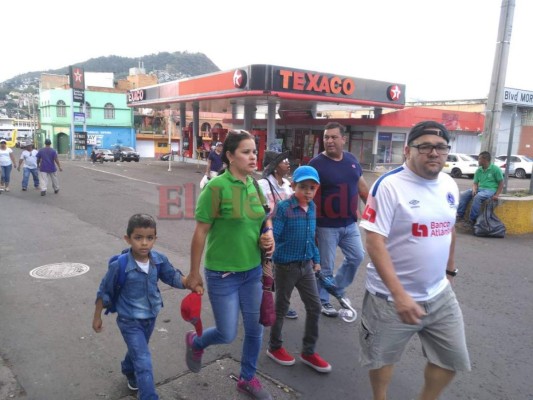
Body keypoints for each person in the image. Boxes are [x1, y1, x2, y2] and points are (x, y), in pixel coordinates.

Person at [359, 121, 471, 400]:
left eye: (441, 147)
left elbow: (449, 228)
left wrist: (449, 271)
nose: (434, 152)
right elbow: (374, 241)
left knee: (451, 359)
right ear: (408, 150)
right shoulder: (389, 186)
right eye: (425, 147)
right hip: (389, 298)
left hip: (439, 294)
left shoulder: (448, 183)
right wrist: (399, 295)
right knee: (382, 359)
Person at [185, 130, 275, 400]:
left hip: (253, 272)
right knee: (226, 332)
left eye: (254, 152)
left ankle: (247, 378)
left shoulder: (255, 185)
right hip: (223, 274)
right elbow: (200, 232)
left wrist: (268, 234)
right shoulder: (216, 187)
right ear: (229, 156)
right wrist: (193, 273)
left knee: (255, 328)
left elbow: (264, 218)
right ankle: (196, 342)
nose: (252, 157)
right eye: (246, 152)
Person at [93, 213, 195, 400]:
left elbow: (172, 276)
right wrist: (97, 316)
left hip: (150, 316)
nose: (144, 243)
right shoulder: (119, 265)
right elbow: (104, 291)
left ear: (155, 239)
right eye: (138, 238)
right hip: (129, 320)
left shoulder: (159, 260)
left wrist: (190, 282)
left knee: (138, 351)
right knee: (143, 360)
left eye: (149, 238)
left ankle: (127, 368)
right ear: (128, 239)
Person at [266, 165, 331, 373]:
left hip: (306, 267)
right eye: (303, 187)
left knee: (315, 307)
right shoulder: (284, 208)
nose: (308, 192)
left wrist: (316, 259)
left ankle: (308, 351)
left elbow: (311, 237)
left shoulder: (312, 208)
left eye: (312, 188)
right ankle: (274, 347)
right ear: (293, 186)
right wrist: (268, 261)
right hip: (285, 267)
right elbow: (273, 235)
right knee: (281, 308)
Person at [308, 121, 369, 317]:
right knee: (325, 266)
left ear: (344, 139)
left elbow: (362, 189)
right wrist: (310, 226)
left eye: (334, 137)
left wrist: (374, 211)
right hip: (325, 226)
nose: (329, 141)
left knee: (357, 256)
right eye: (326, 137)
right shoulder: (316, 164)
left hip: (350, 224)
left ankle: (337, 289)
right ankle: (323, 301)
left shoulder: (351, 160)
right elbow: (306, 195)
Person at [258, 150, 299, 319]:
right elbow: (260, 211)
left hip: (284, 236)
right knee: (265, 272)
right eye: (284, 161)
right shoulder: (262, 185)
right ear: (275, 167)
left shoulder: (288, 185)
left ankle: (280, 306)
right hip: (266, 235)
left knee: (282, 273)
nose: (288, 163)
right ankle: (260, 304)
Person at [456, 151, 503, 230]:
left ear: (485, 159)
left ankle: (472, 220)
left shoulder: (495, 169)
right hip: (480, 188)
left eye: (479, 159)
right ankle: (460, 215)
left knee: (478, 197)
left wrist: (497, 195)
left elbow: (501, 183)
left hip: (490, 190)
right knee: (464, 194)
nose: (478, 160)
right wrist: (474, 189)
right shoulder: (479, 170)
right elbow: (475, 183)